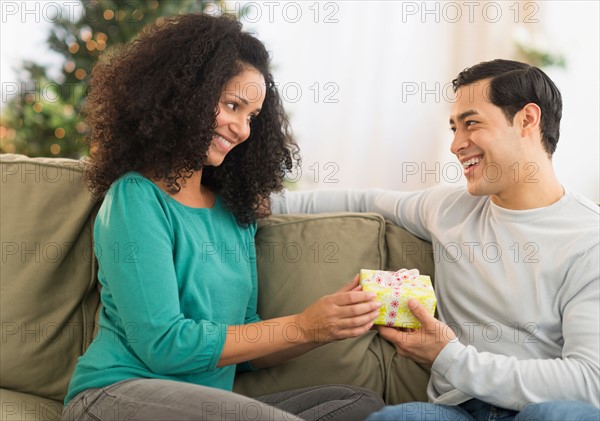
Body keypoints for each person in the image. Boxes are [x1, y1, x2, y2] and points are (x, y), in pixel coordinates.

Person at [61, 13, 385, 421]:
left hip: (207, 407)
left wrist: (326, 325)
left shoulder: (236, 215)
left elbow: (246, 346)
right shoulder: (135, 198)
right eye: (232, 106)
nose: (243, 129)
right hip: (115, 396)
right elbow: (163, 345)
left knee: (359, 405)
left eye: (252, 116)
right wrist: (301, 326)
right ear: (186, 97)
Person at [270, 59, 600, 420]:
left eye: (471, 123)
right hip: (456, 411)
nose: (456, 144)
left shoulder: (588, 239)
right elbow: (360, 200)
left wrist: (449, 356)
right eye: (454, 128)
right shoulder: (449, 208)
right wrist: (248, 202)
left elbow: (587, 382)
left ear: (527, 120)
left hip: (538, 412)